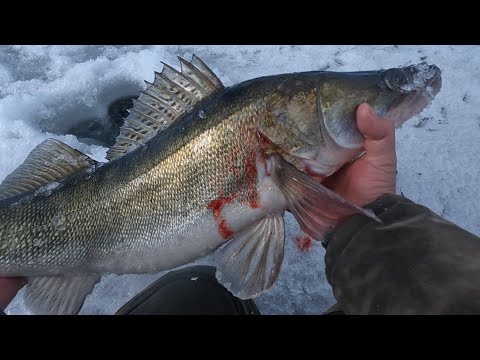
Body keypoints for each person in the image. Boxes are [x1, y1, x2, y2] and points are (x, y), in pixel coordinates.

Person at [1, 104, 479, 315]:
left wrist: (357, 211)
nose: (371, 109)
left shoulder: (281, 170)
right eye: (351, 104)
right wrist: (365, 214)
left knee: (195, 294)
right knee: (198, 292)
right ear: (280, 127)